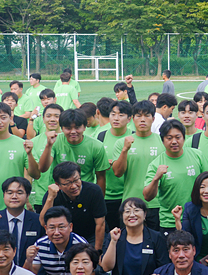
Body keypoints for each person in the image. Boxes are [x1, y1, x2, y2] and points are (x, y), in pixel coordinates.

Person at [143, 120, 207, 230]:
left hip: (198, 219)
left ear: (184, 138)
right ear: (162, 140)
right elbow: (147, 196)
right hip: (169, 222)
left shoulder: (197, 156)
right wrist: (156, 178)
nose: (174, 141)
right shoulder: (156, 165)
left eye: (178, 137)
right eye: (169, 138)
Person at [100, 198, 168, 275]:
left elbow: (164, 268)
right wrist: (113, 242)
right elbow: (106, 267)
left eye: (136, 210)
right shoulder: (114, 236)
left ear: (145, 215)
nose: (132, 215)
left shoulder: (156, 237)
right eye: (127, 211)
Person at [110, 101, 163, 230]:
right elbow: (117, 172)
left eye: (147, 116)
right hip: (130, 204)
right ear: (132, 119)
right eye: (138, 116)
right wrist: (125, 150)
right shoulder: (122, 142)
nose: (142, 120)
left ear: (153, 118)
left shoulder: (162, 141)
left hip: (157, 204)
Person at [40, 161, 107, 250]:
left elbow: (100, 224)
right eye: (67, 183)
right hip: (65, 238)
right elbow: (43, 222)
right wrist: (50, 198)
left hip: (92, 236)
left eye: (76, 180)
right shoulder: (52, 195)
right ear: (58, 184)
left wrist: (97, 251)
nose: (74, 186)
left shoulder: (94, 191)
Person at [97, 100, 133, 231]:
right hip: (106, 196)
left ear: (129, 118)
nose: (116, 118)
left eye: (121, 114)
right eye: (113, 114)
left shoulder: (134, 137)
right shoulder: (100, 136)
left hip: (127, 195)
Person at [32, 206, 87, 275]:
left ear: (70, 227)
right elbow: (31, 274)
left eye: (61, 227)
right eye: (52, 228)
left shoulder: (81, 245)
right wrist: (28, 260)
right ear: (46, 229)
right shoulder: (40, 245)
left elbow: (89, 274)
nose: (57, 233)